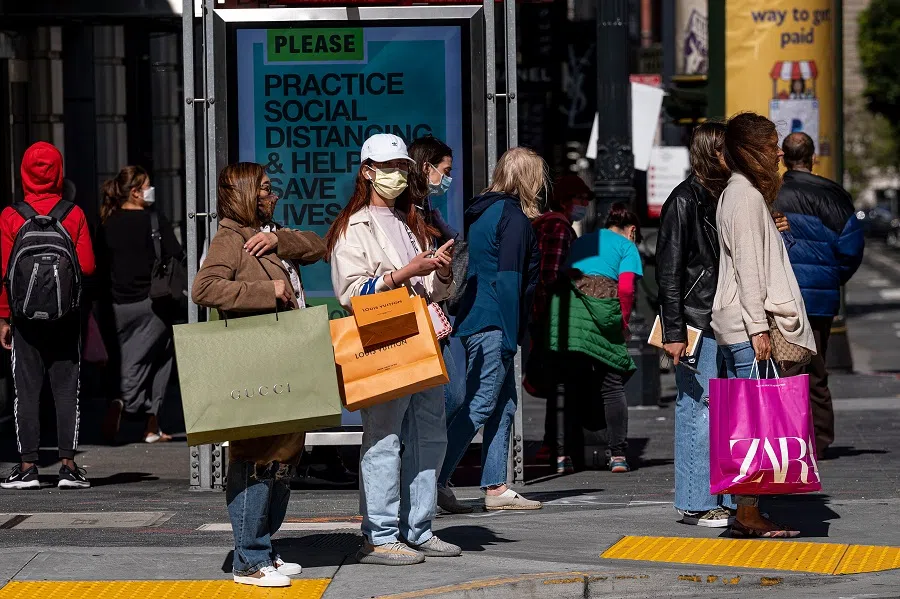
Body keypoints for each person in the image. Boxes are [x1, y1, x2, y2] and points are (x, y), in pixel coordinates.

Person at [327, 133, 460, 566]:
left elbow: (430, 287)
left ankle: (418, 527)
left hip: (421, 337)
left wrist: (438, 271)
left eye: (403, 167)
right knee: (384, 437)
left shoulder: (409, 221)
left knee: (429, 434)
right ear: (367, 171)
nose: (398, 175)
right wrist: (405, 272)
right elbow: (351, 293)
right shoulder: (353, 227)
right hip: (383, 341)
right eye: (388, 167)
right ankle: (380, 534)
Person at [193, 162, 327, 587]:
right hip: (255, 363)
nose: (274, 195)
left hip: (287, 357)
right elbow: (204, 288)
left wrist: (277, 239)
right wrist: (264, 291)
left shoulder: (268, 233)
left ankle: (263, 546)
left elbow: (317, 246)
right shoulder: (229, 239)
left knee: (284, 457)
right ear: (247, 194)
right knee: (254, 457)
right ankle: (249, 559)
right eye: (267, 189)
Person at [712, 112, 817, 538]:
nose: (778, 151)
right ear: (752, 149)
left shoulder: (741, 194)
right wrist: (758, 328)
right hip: (747, 323)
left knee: (752, 420)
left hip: (741, 321)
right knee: (754, 423)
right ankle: (748, 513)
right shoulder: (744, 197)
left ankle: (747, 509)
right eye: (771, 143)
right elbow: (749, 271)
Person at [437, 147, 542, 512]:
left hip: (476, 317)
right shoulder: (512, 217)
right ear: (528, 179)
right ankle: (434, 478)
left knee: (505, 402)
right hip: (496, 320)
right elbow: (510, 279)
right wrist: (513, 334)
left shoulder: (484, 212)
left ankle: (495, 486)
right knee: (481, 404)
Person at [0, 142, 96, 490]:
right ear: (58, 172)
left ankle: (27, 466)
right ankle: (68, 466)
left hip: (24, 320)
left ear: (23, 172)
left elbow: (4, 273)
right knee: (67, 389)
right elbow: (86, 266)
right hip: (65, 317)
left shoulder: (11, 215)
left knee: (25, 391)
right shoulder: (74, 213)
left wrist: (3, 319)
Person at [656, 122, 738, 527]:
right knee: (697, 408)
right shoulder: (684, 200)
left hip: (726, 317)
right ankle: (695, 502)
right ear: (712, 152)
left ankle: (724, 495)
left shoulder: (727, 196)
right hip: (697, 321)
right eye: (728, 150)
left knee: (722, 410)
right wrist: (674, 333)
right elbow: (668, 272)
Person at [774, 132, 864, 459]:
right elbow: (852, 248)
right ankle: (819, 440)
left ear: (782, 157)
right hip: (820, 299)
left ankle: (790, 438)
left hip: (783, 296)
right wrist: (831, 277)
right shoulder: (835, 197)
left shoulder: (772, 193)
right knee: (817, 370)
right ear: (813, 159)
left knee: (788, 368)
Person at [552, 203, 643, 474]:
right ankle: (617, 455)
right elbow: (625, 289)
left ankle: (562, 456)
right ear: (633, 231)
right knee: (612, 385)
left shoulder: (584, 241)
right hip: (603, 313)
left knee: (569, 386)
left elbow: (565, 274)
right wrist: (622, 323)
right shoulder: (627, 247)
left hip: (569, 315)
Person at [98, 166, 182, 444]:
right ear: (135, 192)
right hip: (151, 304)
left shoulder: (107, 222)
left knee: (124, 358)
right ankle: (128, 403)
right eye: (147, 185)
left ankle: (150, 424)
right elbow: (175, 253)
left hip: (115, 305)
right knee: (159, 357)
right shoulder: (154, 220)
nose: (151, 190)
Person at [530, 174, 590, 474]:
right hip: (554, 316)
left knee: (556, 384)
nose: (585, 205)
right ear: (566, 201)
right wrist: (577, 276)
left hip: (545, 314)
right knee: (562, 385)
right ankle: (555, 446)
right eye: (581, 199)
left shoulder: (545, 223)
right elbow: (550, 273)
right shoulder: (559, 226)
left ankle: (553, 444)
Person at [407, 136, 465, 431]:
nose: (449, 178)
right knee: (449, 396)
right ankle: (417, 465)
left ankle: (423, 469)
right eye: (447, 169)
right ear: (427, 167)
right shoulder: (407, 211)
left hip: (433, 311)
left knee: (448, 397)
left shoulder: (425, 209)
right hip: (416, 313)